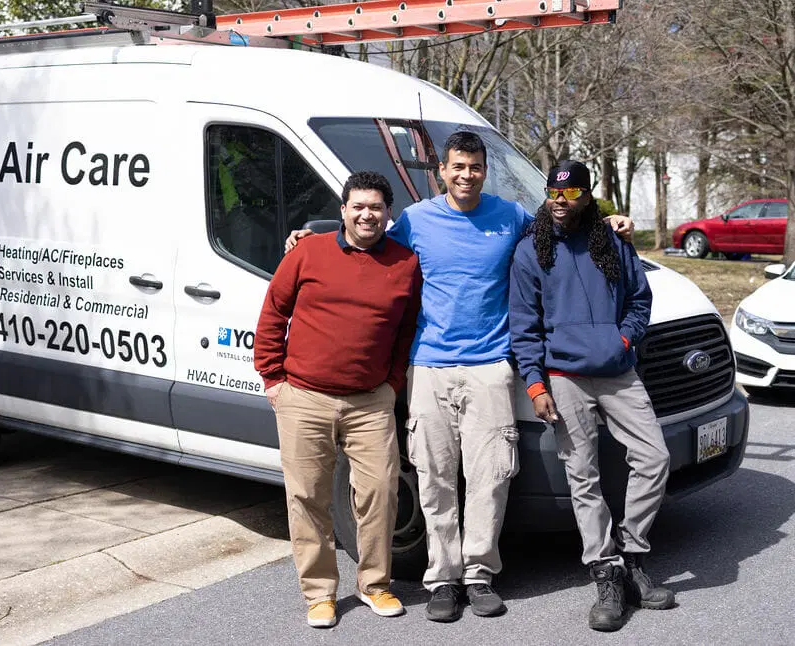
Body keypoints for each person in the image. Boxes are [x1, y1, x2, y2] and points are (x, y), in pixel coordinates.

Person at [285, 132, 634, 622]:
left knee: (490, 477)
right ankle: (443, 579)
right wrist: (310, 236)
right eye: (457, 167)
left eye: (474, 167)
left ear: (483, 171)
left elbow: (561, 225)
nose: (466, 175)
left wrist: (609, 221)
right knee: (434, 479)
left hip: (491, 366)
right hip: (428, 365)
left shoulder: (509, 217)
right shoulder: (416, 221)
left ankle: (479, 573)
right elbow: (366, 242)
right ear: (442, 172)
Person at [509, 160, 675, 632]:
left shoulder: (612, 242)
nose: (560, 202)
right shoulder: (530, 251)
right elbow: (523, 326)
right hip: (563, 376)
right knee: (583, 476)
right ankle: (605, 573)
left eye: (571, 193)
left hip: (618, 370)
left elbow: (640, 301)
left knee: (654, 457)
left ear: (587, 195)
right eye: (553, 193)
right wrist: (536, 384)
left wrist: (623, 341)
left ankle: (632, 554)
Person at [255, 171, 422, 629]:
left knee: (380, 493)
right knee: (307, 497)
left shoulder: (405, 263)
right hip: (304, 397)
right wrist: (272, 378)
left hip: (371, 402)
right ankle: (319, 593)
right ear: (344, 210)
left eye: (376, 207)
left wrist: (391, 385)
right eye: (359, 206)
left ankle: (374, 584)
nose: (367, 214)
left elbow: (406, 330)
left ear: (389, 215)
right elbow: (274, 312)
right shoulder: (308, 251)